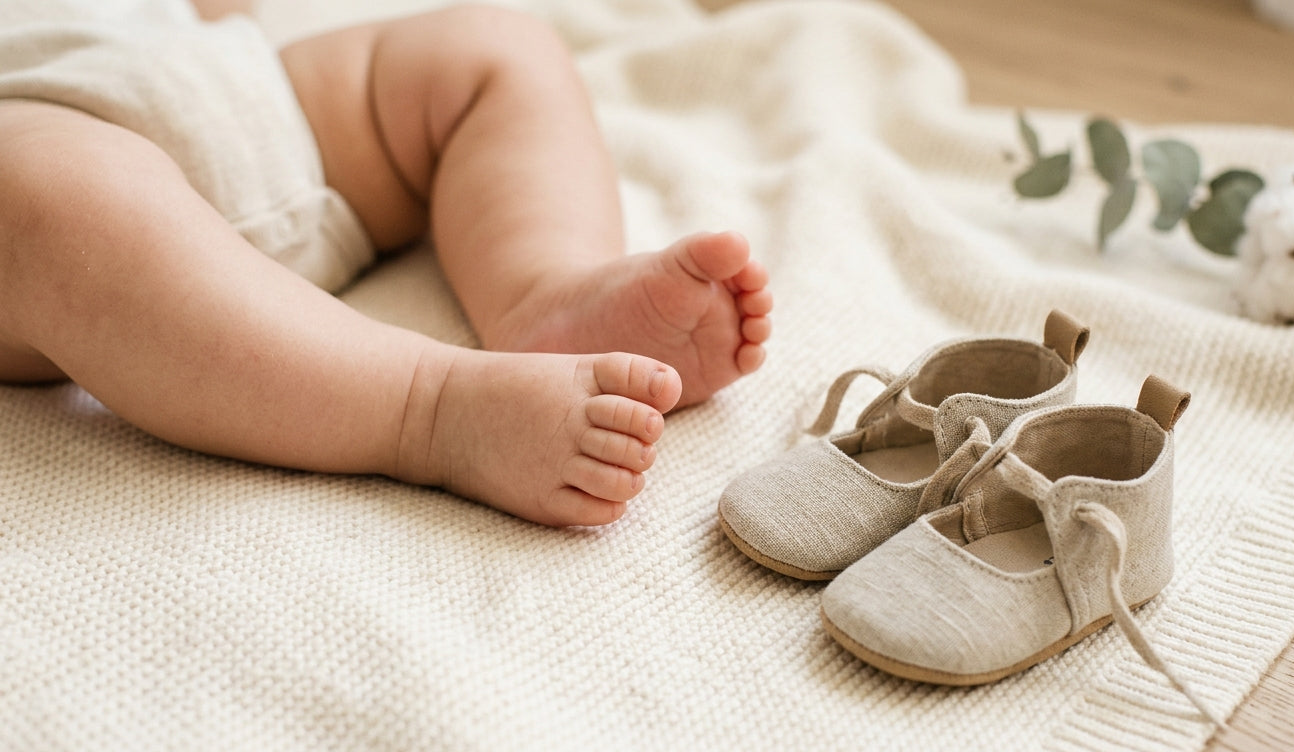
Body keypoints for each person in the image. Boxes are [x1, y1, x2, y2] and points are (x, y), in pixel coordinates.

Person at [0, 0, 773, 527]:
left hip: (226, 93)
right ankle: (428, 407)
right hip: (34, 134)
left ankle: (550, 290)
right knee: (40, 202)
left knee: (489, 46)